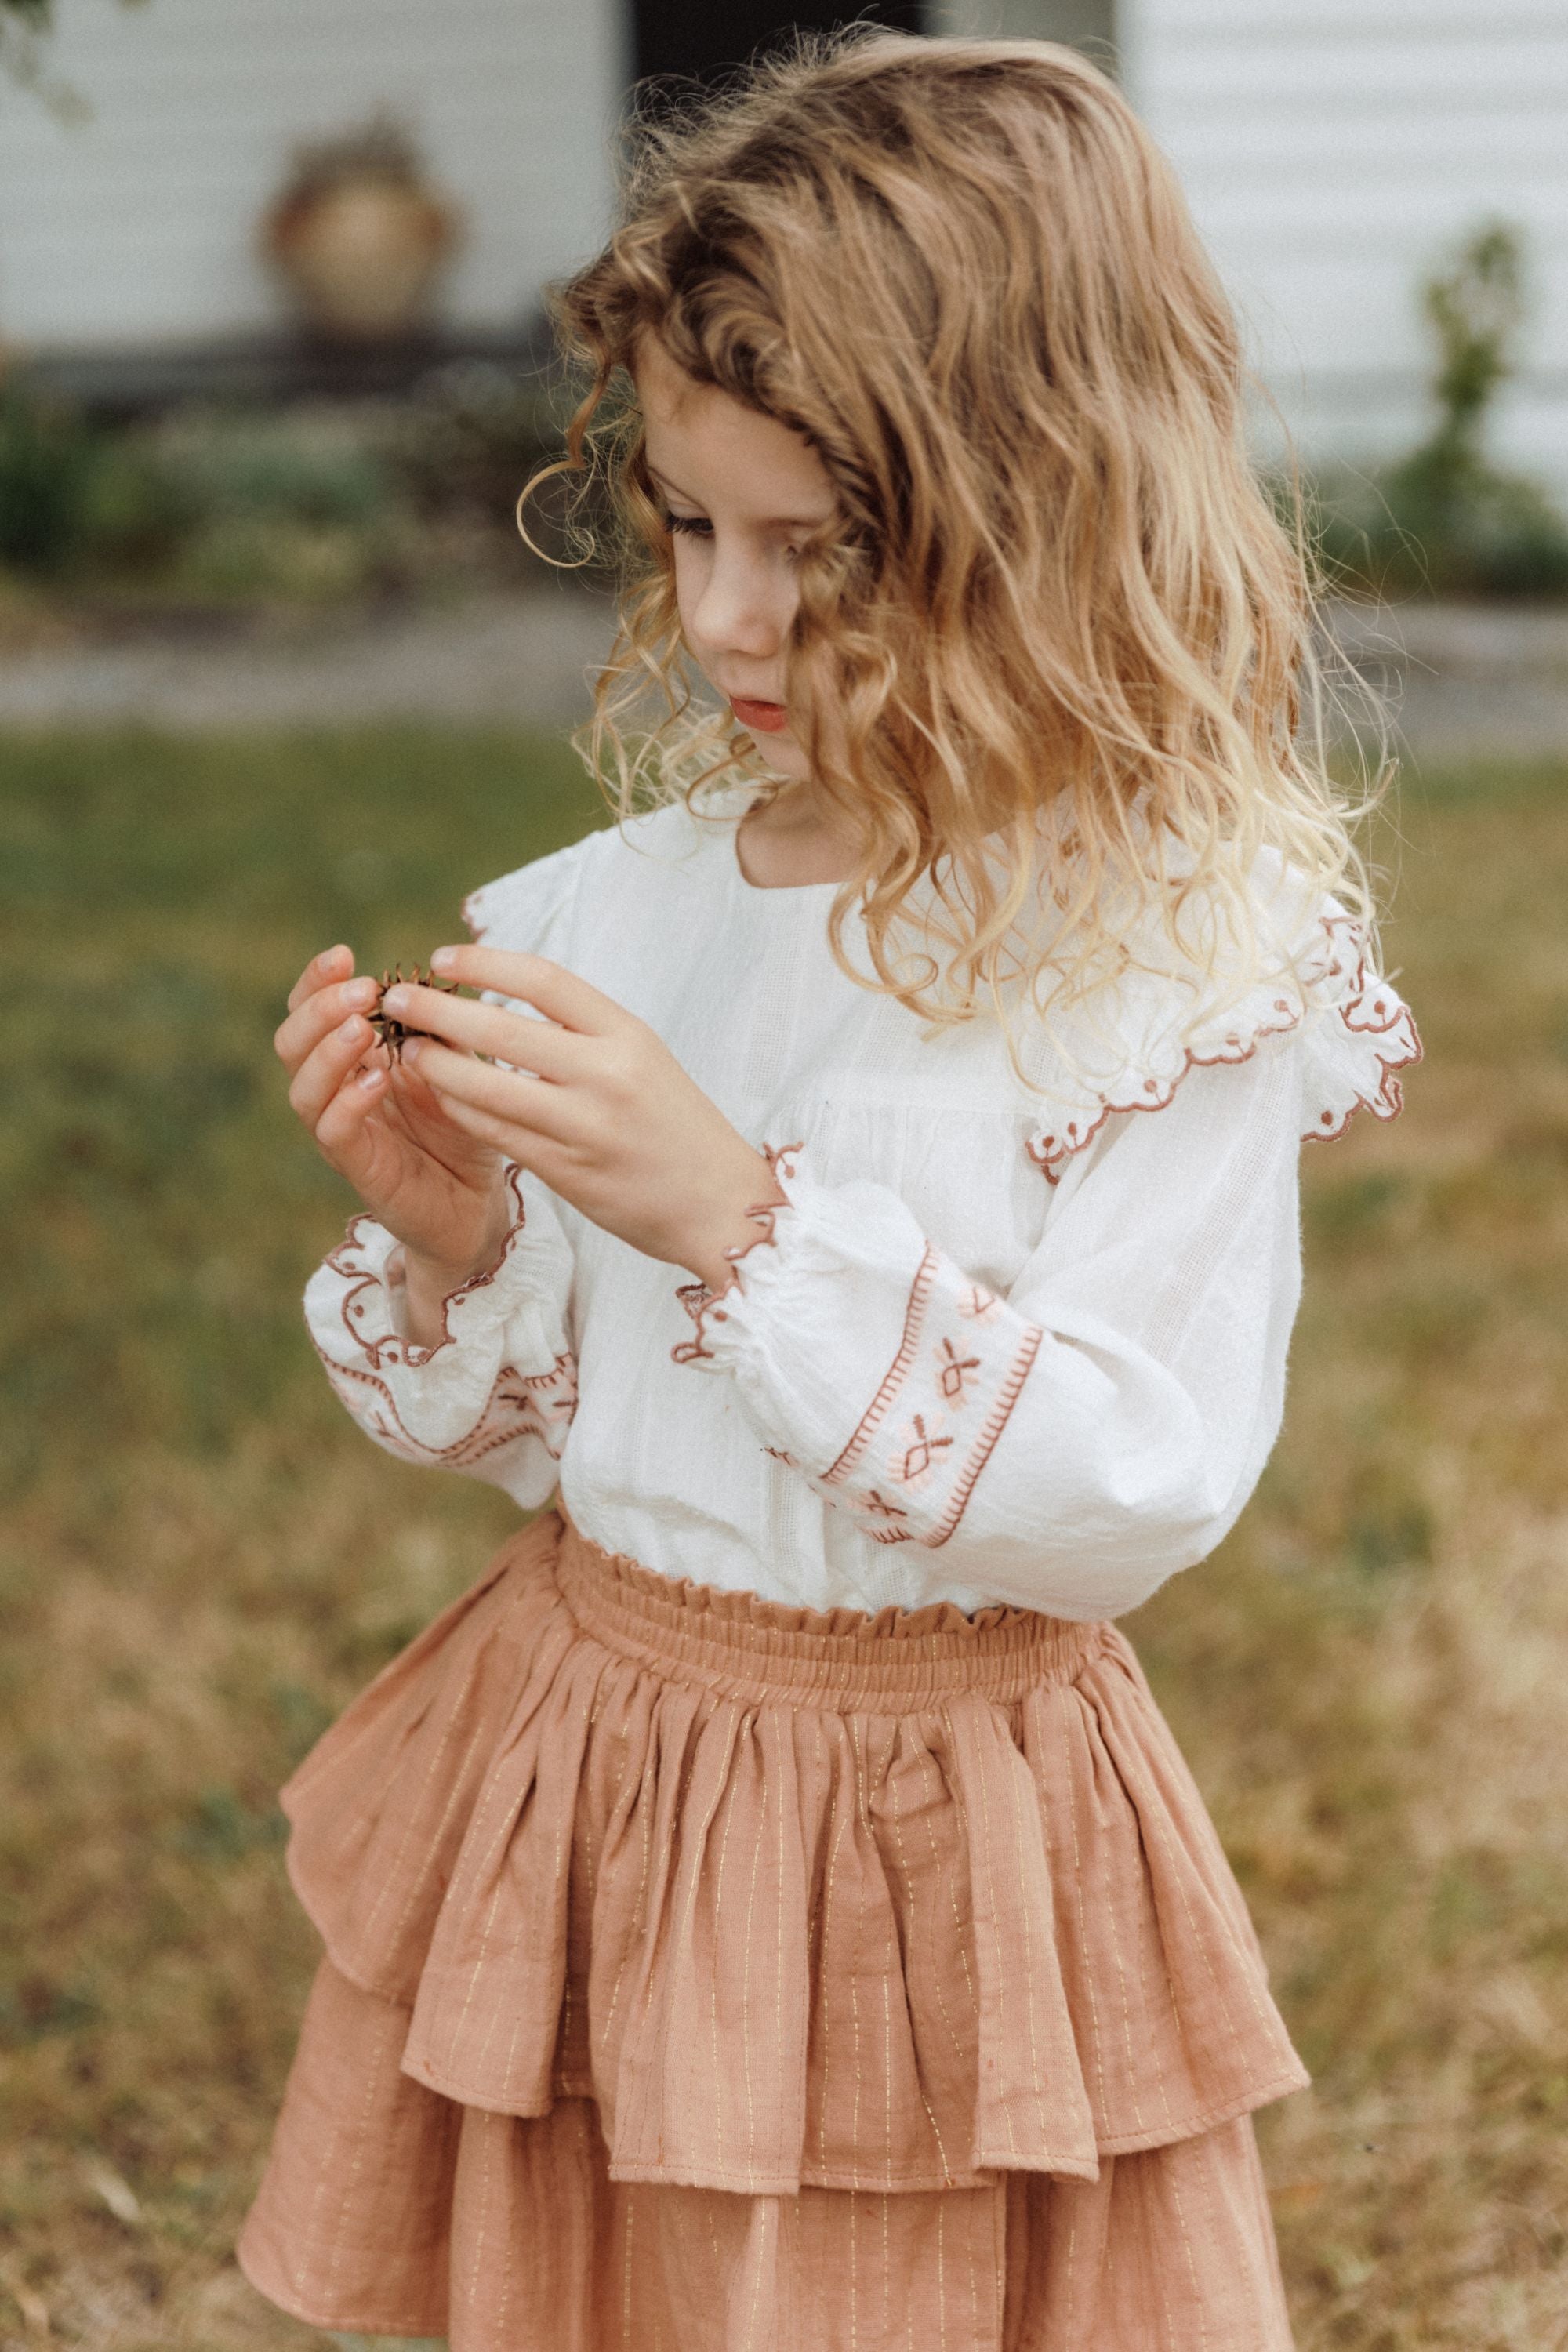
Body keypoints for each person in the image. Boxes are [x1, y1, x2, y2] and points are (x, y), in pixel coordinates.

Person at [237, 31, 1420, 2352]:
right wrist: (468, 1240)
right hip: (606, 1773)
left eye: (818, 552)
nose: (724, 621)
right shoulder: (618, 913)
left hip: (926, 1845)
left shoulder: (1163, 963)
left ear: (1049, 518)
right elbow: (584, 1439)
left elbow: (1132, 1486)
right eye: (691, 528)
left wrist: (736, 1216)